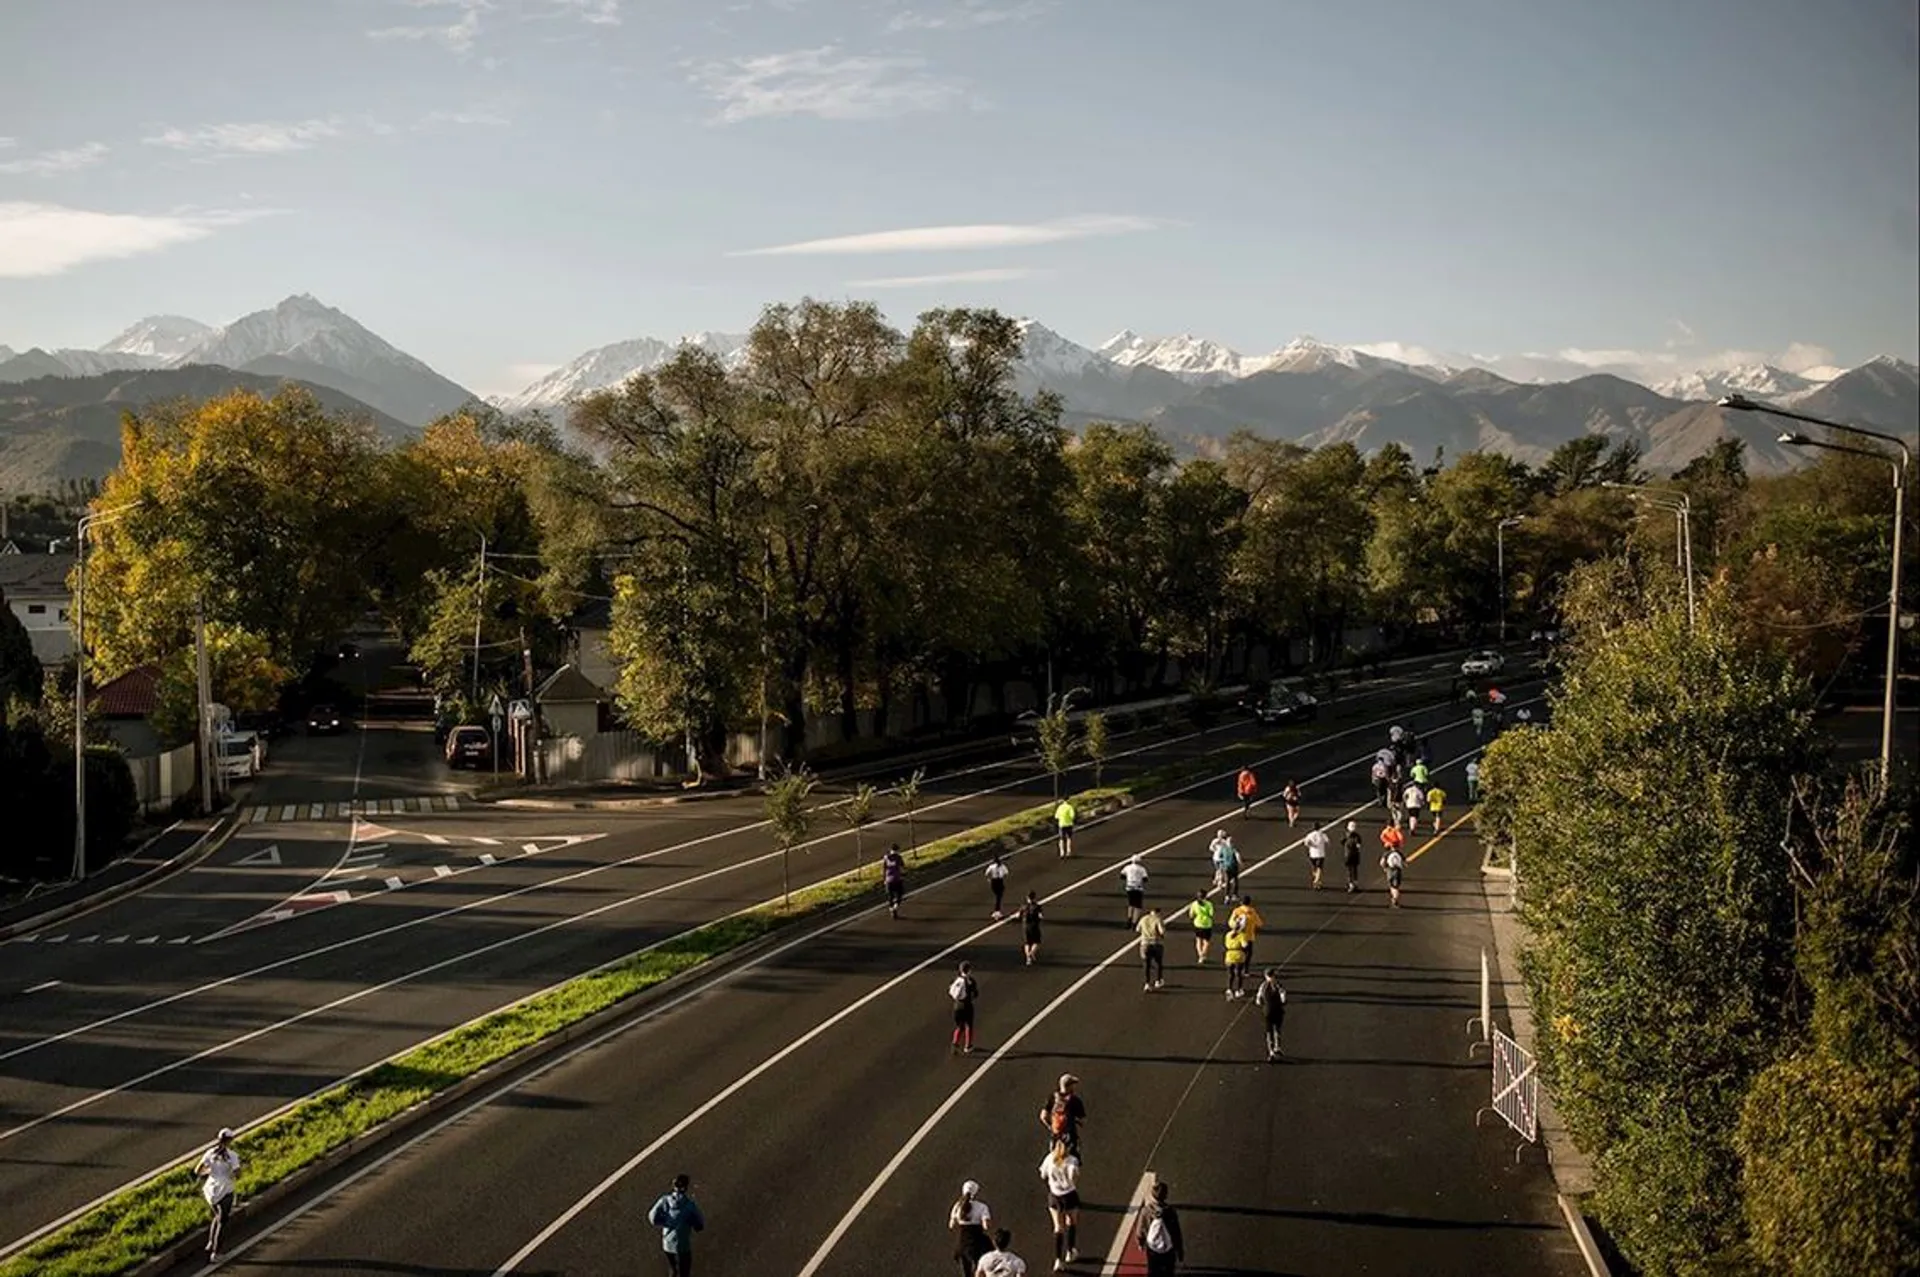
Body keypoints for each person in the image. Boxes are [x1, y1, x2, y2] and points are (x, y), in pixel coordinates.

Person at [196, 1127, 241, 1262]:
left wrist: (211, 1172)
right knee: (223, 1220)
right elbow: (238, 1173)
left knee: (217, 1216)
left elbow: (198, 1170)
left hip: (210, 1189)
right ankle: (217, 1252)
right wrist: (231, 1173)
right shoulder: (232, 1155)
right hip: (225, 1189)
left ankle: (211, 1242)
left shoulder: (210, 1153)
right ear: (230, 1140)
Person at [648, 1173, 706, 1276]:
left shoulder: (664, 1200)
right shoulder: (689, 1206)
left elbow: (652, 1217)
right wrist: (694, 1225)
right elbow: (700, 1223)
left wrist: (664, 1222)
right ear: (686, 1187)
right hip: (682, 1245)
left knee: (673, 1269)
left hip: (667, 1243)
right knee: (684, 1271)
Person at [1038, 1138, 1082, 1270]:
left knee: (1058, 1227)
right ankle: (1070, 1250)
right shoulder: (1072, 1161)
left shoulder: (1050, 1158)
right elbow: (1073, 1178)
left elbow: (1043, 1175)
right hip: (1069, 1195)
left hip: (1055, 1196)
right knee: (1072, 1221)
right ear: (1068, 1148)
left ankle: (1058, 1259)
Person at [1136, 1180, 1185, 1277]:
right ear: (1165, 1195)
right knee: (1168, 1272)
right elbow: (1176, 1233)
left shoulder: (1146, 1211)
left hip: (1153, 1248)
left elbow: (1140, 1229)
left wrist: (1140, 1243)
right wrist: (1180, 1251)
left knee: (1153, 1270)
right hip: (1168, 1249)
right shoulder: (1170, 1212)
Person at [950, 1180, 994, 1275]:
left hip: (962, 1243)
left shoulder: (957, 1206)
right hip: (977, 1243)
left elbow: (951, 1225)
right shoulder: (982, 1207)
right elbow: (986, 1226)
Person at [1039, 1073, 1088, 1154]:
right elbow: (1083, 1119)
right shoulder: (1075, 1100)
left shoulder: (1053, 1098)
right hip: (1070, 1136)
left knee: (1054, 1159)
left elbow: (1043, 1116)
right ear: (1069, 1086)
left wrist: (1051, 1126)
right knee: (1072, 1160)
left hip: (1055, 1136)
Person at [1255, 968, 1288, 1062]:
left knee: (1268, 1031)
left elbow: (1258, 1000)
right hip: (1278, 1010)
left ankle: (1271, 1051)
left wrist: (1263, 1003)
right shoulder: (1278, 985)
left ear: (1266, 976)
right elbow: (1283, 997)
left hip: (1267, 1011)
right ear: (1274, 975)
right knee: (1277, 1029)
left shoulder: (1263, 986)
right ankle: (1278, 1047)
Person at [950, 961, 979, 1056]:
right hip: (967, 1005)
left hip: (957, 1006)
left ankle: (955, 1043)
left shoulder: (957, 980)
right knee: (969, 1025)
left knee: (959, 1026)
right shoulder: (970, 981)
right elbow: (975, 994)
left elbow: (952, 992)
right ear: (969, 970)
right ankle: (968, 1046)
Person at [1228, 893, 1264, 967]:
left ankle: (1237, 965)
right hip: (1249, 935)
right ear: (1250, 903)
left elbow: (1230, 922)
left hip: (1239, 935)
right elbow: (1259, 923)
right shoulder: (1252, 911)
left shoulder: (1237, 911)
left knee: (1240, 951)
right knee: (1248, 953)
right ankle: (1246, 969)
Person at [1137, 905, 1167, 990]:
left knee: (1146, 964)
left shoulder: (1143, 918)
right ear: (1158, 912)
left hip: (1145, 943)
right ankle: (1158, 980)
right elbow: (1162, 931)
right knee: (1158, 963)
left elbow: (1137, 929)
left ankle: (1147, 983)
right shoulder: (1158, 919)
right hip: (1156, 943)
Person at [1223, 915, 1251, 999]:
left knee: (1230, 974)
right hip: (1239, 955)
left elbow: (1225, 944)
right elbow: (1245, 945)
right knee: (1239, 974)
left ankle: (1229, 989)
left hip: (1229, 955)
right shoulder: (1242, 935)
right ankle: (1238, 990)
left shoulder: (1228, 934)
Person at [1209, 829, 1240, 898]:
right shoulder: (1215, 841)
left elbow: (1227, 848)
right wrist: (1215, 849)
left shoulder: (1224, 842)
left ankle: (1217, 881)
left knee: (1219, 871)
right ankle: (1218, 881)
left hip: (1222, 860)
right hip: (1217, 859)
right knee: (1219, 870)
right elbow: (1211, 848)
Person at [1186, 890, 1215, 964]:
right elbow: (1211, 914)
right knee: (1206, 942)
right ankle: (1203, 955)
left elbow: (1191, 915)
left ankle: (1200, 955)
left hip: (1198, 924)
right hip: (1207, 924)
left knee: (1198, 940)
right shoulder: (1209, 904)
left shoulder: (1194, 904)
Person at [1020, 891, 1045, 965]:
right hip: (1034, 926)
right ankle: (1031, 953)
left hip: (1025, 926)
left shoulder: (1023, 906)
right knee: (1036, 942)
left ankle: (1028, 958)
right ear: (1034, 898)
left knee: (1027, 943)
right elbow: (1040, 915)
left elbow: (1018, 915)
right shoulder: (1037, 906)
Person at [883, 844, 907, 918]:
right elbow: (902, 868)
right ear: (897, 850)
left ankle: (891, 908)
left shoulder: (886, 858)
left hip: (888, 880)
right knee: (900, 895)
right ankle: (895, 908)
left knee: (890, 896)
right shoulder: (899, 857)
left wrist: (884, 879)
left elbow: (884, 869)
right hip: (897, 879)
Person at [1304, 819, 1329, 889]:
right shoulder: (1322, 834)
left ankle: (1317, 880)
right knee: (1319, 868)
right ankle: (1317, 880)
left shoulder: (1310, 835)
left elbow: (1306, 843)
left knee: (1314, 868)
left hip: (1312, 854)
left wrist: (1311, 845)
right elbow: (1328, 841)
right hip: (1320, 854)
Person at [1382, 839, 1406, 908]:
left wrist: (1385, 868)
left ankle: (1393, 898)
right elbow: (1405, 864)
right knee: (1396, 887)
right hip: (1397, 871)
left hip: (1389, 870)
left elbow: (1382, 862)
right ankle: (1395, 899)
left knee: (1391, 886)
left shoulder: (1387, 853)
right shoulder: (1400, 853)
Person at [986, 852, 1009, 919]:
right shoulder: (1002, 866)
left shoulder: (991, 866)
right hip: (999, 881)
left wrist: (989, 879)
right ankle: (997, 911)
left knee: (998, 896)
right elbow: (1006, 873)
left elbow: (987, 873)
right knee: (999, 897)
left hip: (994, 881)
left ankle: (997, 911)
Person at [1342, 819, 1363, 893]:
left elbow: (1342, 842)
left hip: (1348, 854)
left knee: (1349, 870)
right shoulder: (1357, 836)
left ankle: (1350, 884)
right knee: (1354, 870)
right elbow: (1359, 846)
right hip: (1355, 855)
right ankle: (1355, 883)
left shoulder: (1346, 835)